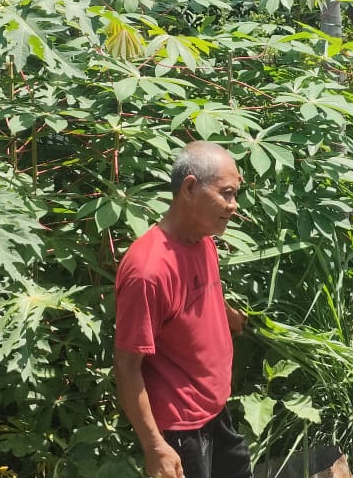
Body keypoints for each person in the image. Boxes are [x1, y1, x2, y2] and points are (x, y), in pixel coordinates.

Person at [114, 141, 252, 478]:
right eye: (227, 194)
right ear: (189, 188)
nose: (234, 206)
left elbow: (201, 293)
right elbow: (127, 366)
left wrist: (228, 315)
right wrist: (155, 446)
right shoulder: (148, 272)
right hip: (180, 427)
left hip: (214, 408)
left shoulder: (202, 239)